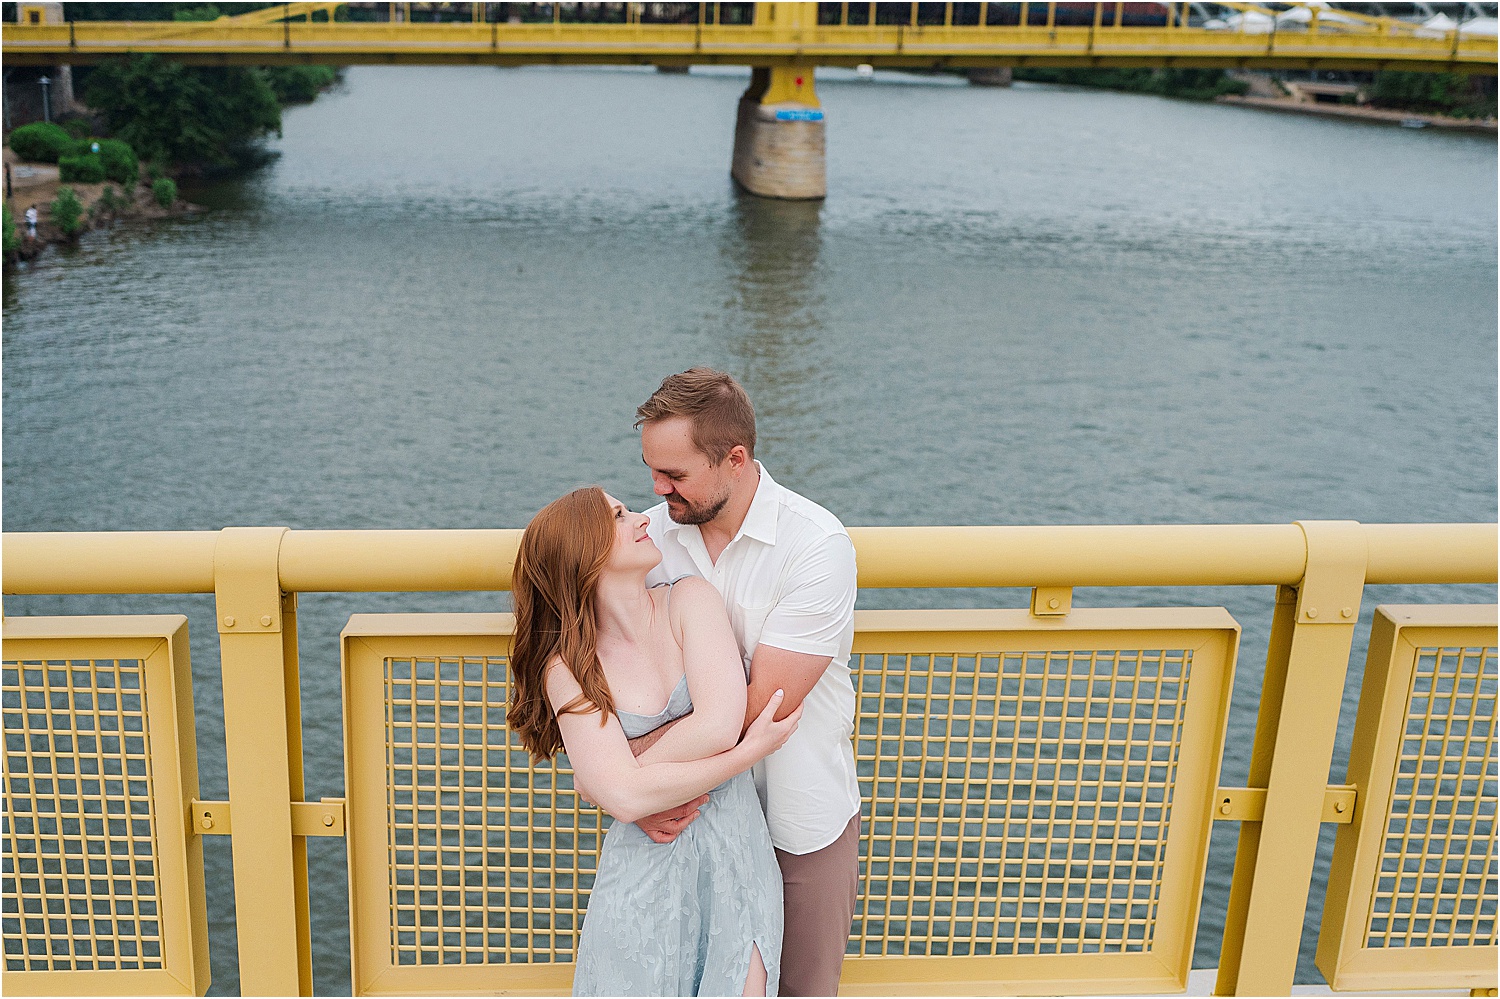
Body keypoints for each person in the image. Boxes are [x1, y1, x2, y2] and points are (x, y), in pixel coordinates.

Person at [507, 486, 801, 997]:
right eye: (618, 516)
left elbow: (718, 724)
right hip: (643, 869)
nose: (642, 517)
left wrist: (624, 779)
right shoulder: (568, 667)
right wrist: (748, 754)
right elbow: (623, 796)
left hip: (735, 860)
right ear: (585, 551)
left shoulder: (689, 600)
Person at [630, 368, 862, 997]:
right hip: (686, 817)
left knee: (802, 993)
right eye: (652, 469)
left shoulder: (816, 546)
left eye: (674, 475)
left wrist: (627, 777)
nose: (656, 488)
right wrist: (636, 793)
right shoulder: (646, 542)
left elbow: (764, 708)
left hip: (797, 817)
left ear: (735, 459)